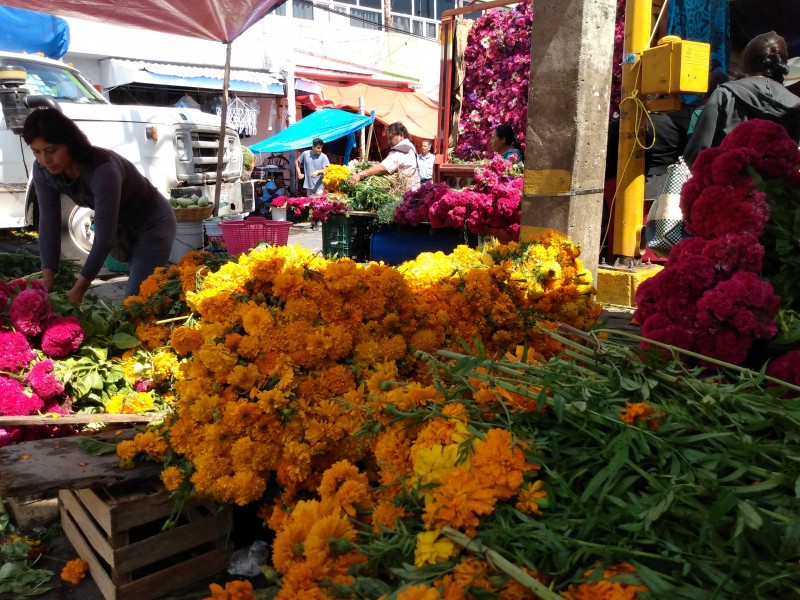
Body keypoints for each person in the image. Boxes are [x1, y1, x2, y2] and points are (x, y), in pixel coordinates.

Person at [22, 108, 177, 303]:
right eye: (36, 151)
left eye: (51, 150)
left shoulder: (103, 170)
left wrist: (79, 290)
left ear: (70, 144)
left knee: (136, 302)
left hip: (153, 223)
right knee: (141, 291)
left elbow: (104, 238)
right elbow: (49, 224)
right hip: (123, 226)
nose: (45, 160)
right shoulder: (43, 170)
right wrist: (47, 278)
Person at [684, 31, 800, 166]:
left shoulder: (725, 94)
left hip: (725, 182)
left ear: (747, 61)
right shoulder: (795, 104)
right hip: (777, 185)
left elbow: (697, 154)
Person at [348, 122, 420, 191]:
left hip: (408, 192)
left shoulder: (401, 149)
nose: (388, 142)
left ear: (401, 135)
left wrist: (360, 174)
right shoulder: (410, 146)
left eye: (391, 138)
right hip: (413, 189)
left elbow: (384, 167)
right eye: (388, 138)